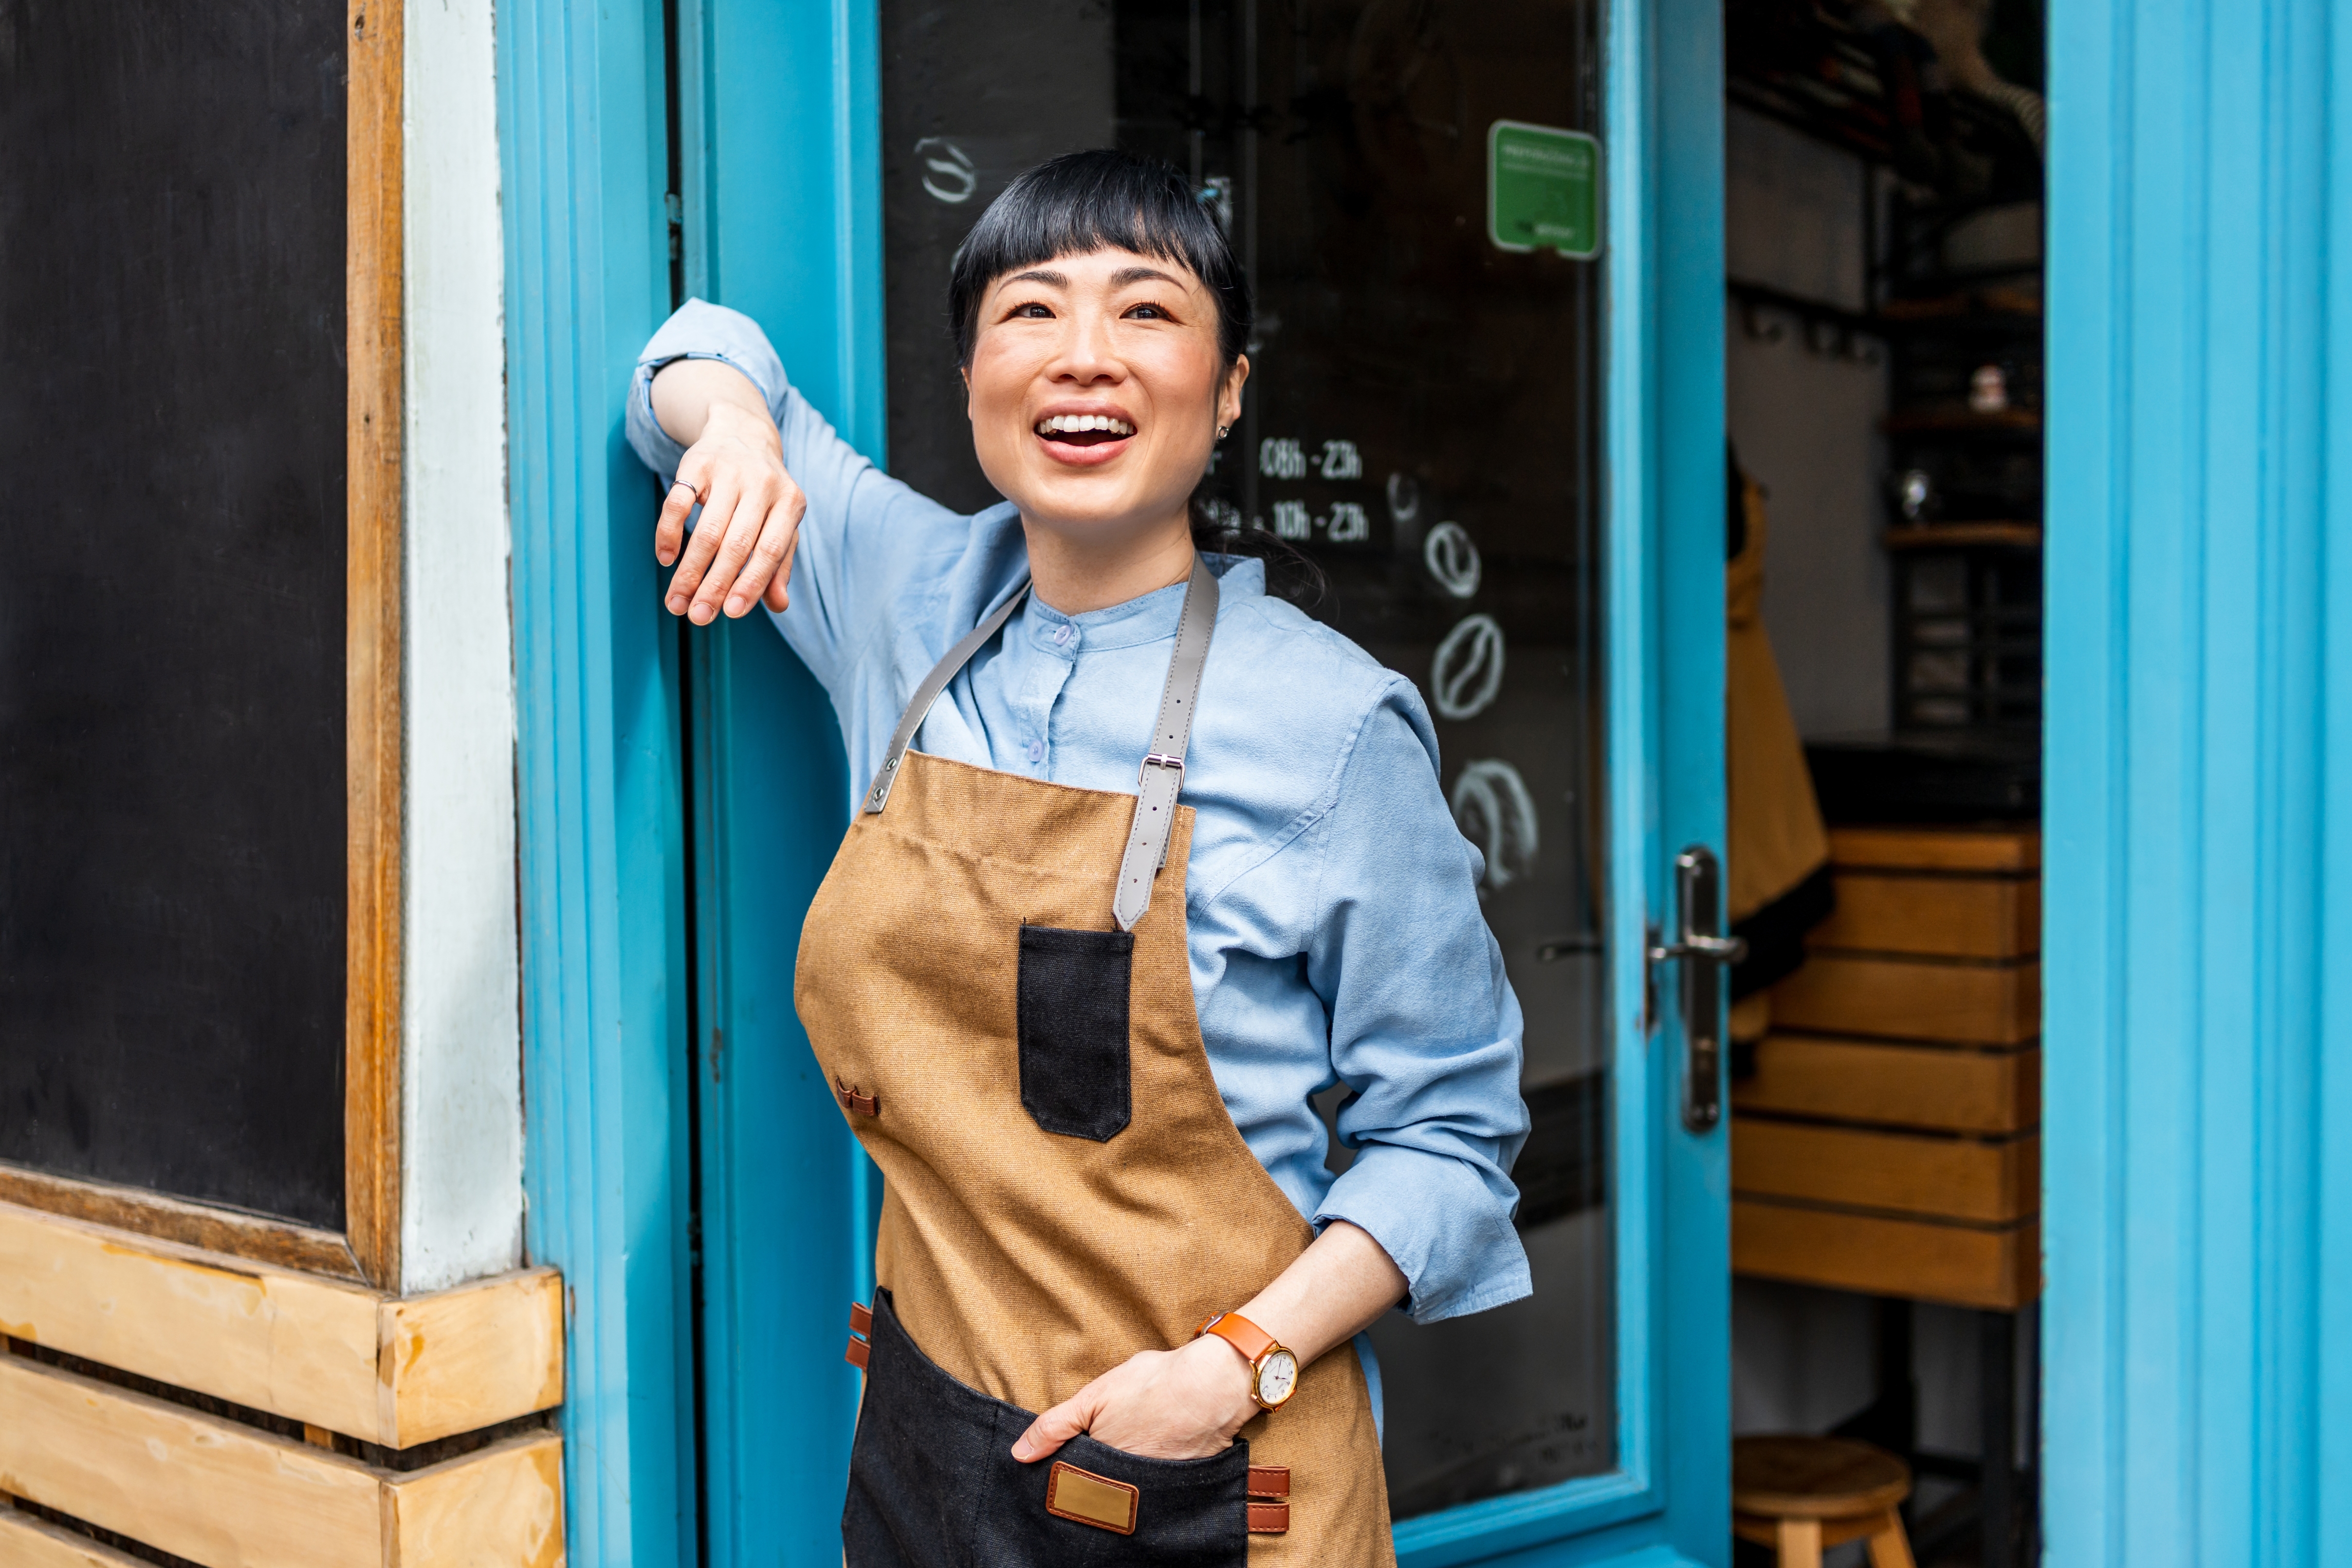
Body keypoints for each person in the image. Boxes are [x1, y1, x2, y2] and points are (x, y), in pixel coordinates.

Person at [626, 149, 1530, 1566]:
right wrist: (738, 437)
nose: (1082, 359)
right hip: (928, 1450)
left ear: (1230, 391)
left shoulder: (1333, 728)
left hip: (1210, 1484)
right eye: (1030, 312)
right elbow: (687, 354)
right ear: (974, 375)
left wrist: (1231, 1368)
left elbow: (1452, 1143)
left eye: (1147, 313)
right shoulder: (904, 597)